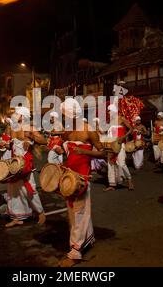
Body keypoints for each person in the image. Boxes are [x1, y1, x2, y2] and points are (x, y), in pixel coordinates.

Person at [59, 98, 105, 267]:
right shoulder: (67, 132)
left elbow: (103, 153)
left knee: (79, 211)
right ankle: (88, 238)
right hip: (68, 174)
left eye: (66, 115)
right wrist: (60, 150)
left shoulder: (89, 131)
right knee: (74, 211)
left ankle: (75, 250)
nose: (65, 118)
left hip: (83, 174)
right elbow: (64, 150)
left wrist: (84, 152)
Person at [3, 106, 47, 228]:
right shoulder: (13, 128)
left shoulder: (29, 128)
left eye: (17, 114)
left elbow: (44, 141)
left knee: (29, 189)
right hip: (14, 163)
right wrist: (5, 144)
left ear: (22, 116)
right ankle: (17, 217)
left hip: (26, 163)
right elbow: (11, 145)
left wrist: (32, 137)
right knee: (13, 190)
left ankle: (41, 212)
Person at [105, 104, 134, 191]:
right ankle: (112, 184)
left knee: (121, 163)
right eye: (108, 111)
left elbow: (131, 129)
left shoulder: (121, 119)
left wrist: (123, 137)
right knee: (110, 164)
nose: (108, 112)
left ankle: (129, 180)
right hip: (111, 145)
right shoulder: (109, 121)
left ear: (114, 111)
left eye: (109, 111)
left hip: (119, 144)